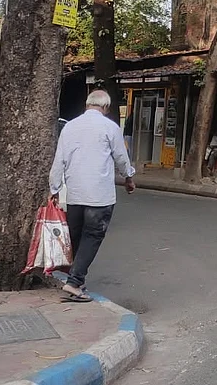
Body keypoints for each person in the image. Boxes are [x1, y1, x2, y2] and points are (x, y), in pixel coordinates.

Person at [49, 89, 135, 303]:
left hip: (75, 194)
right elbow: (121, 158)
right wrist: (129, 177)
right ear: (105, 107)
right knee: (93, 236)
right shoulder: (110, 127)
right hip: (100, 196)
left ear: (87, 105)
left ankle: (76, 278)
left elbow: (59, 159)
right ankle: (75, 282)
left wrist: (54, 188)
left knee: (76, 237)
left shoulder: (70, 127)